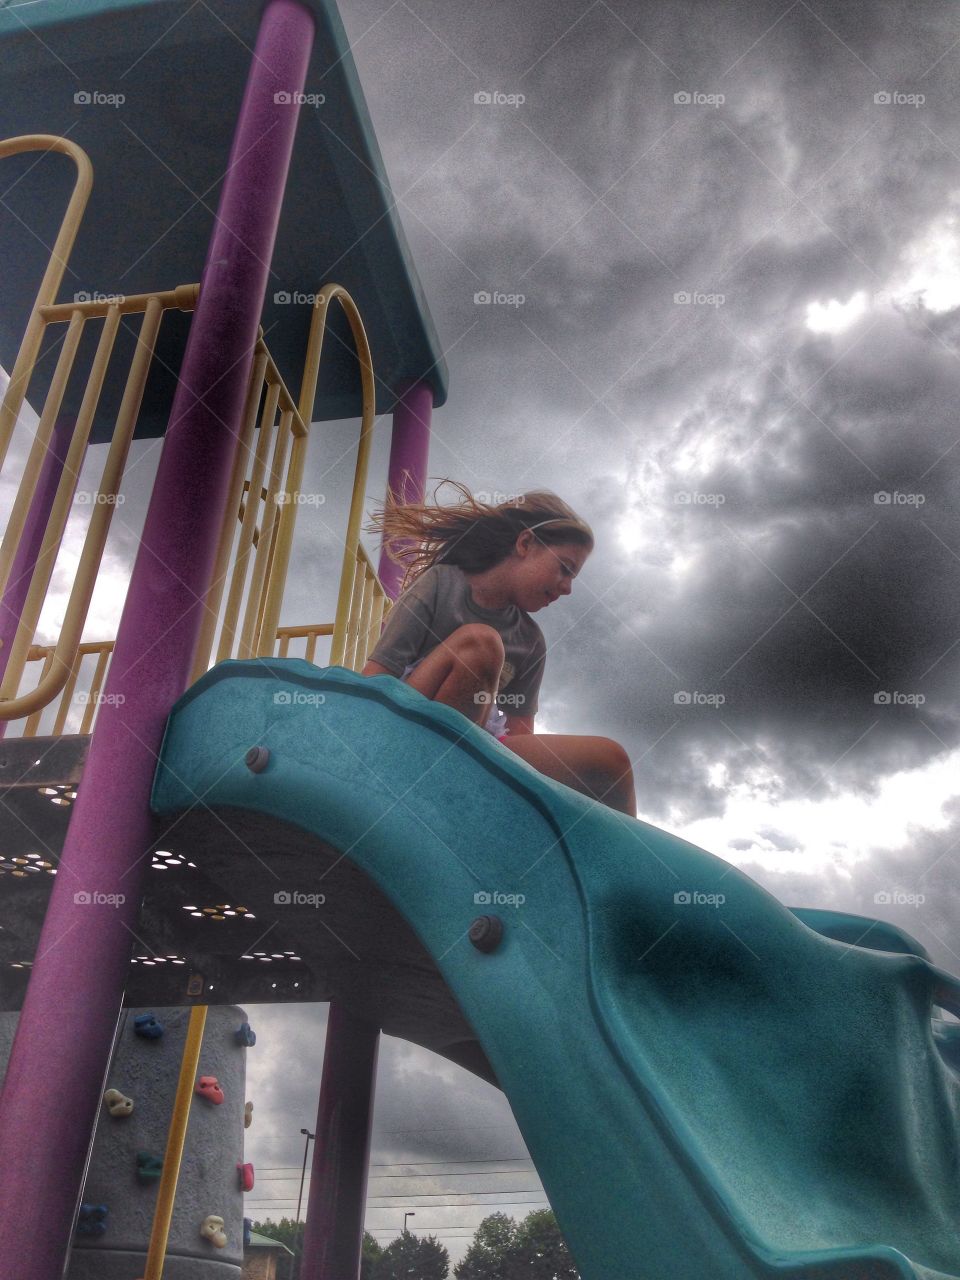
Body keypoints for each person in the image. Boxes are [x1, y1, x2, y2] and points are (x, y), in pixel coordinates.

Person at [360, 480, 636, 817]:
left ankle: (616, 867)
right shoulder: (442, 584)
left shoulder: (530, 640)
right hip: (408, 725)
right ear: (525, 543)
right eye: (564, 569)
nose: (567, 589)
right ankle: (443, 775)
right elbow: (375, 679)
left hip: (478, 746)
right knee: (480, 643)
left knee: (611, 761)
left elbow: (520, 736)